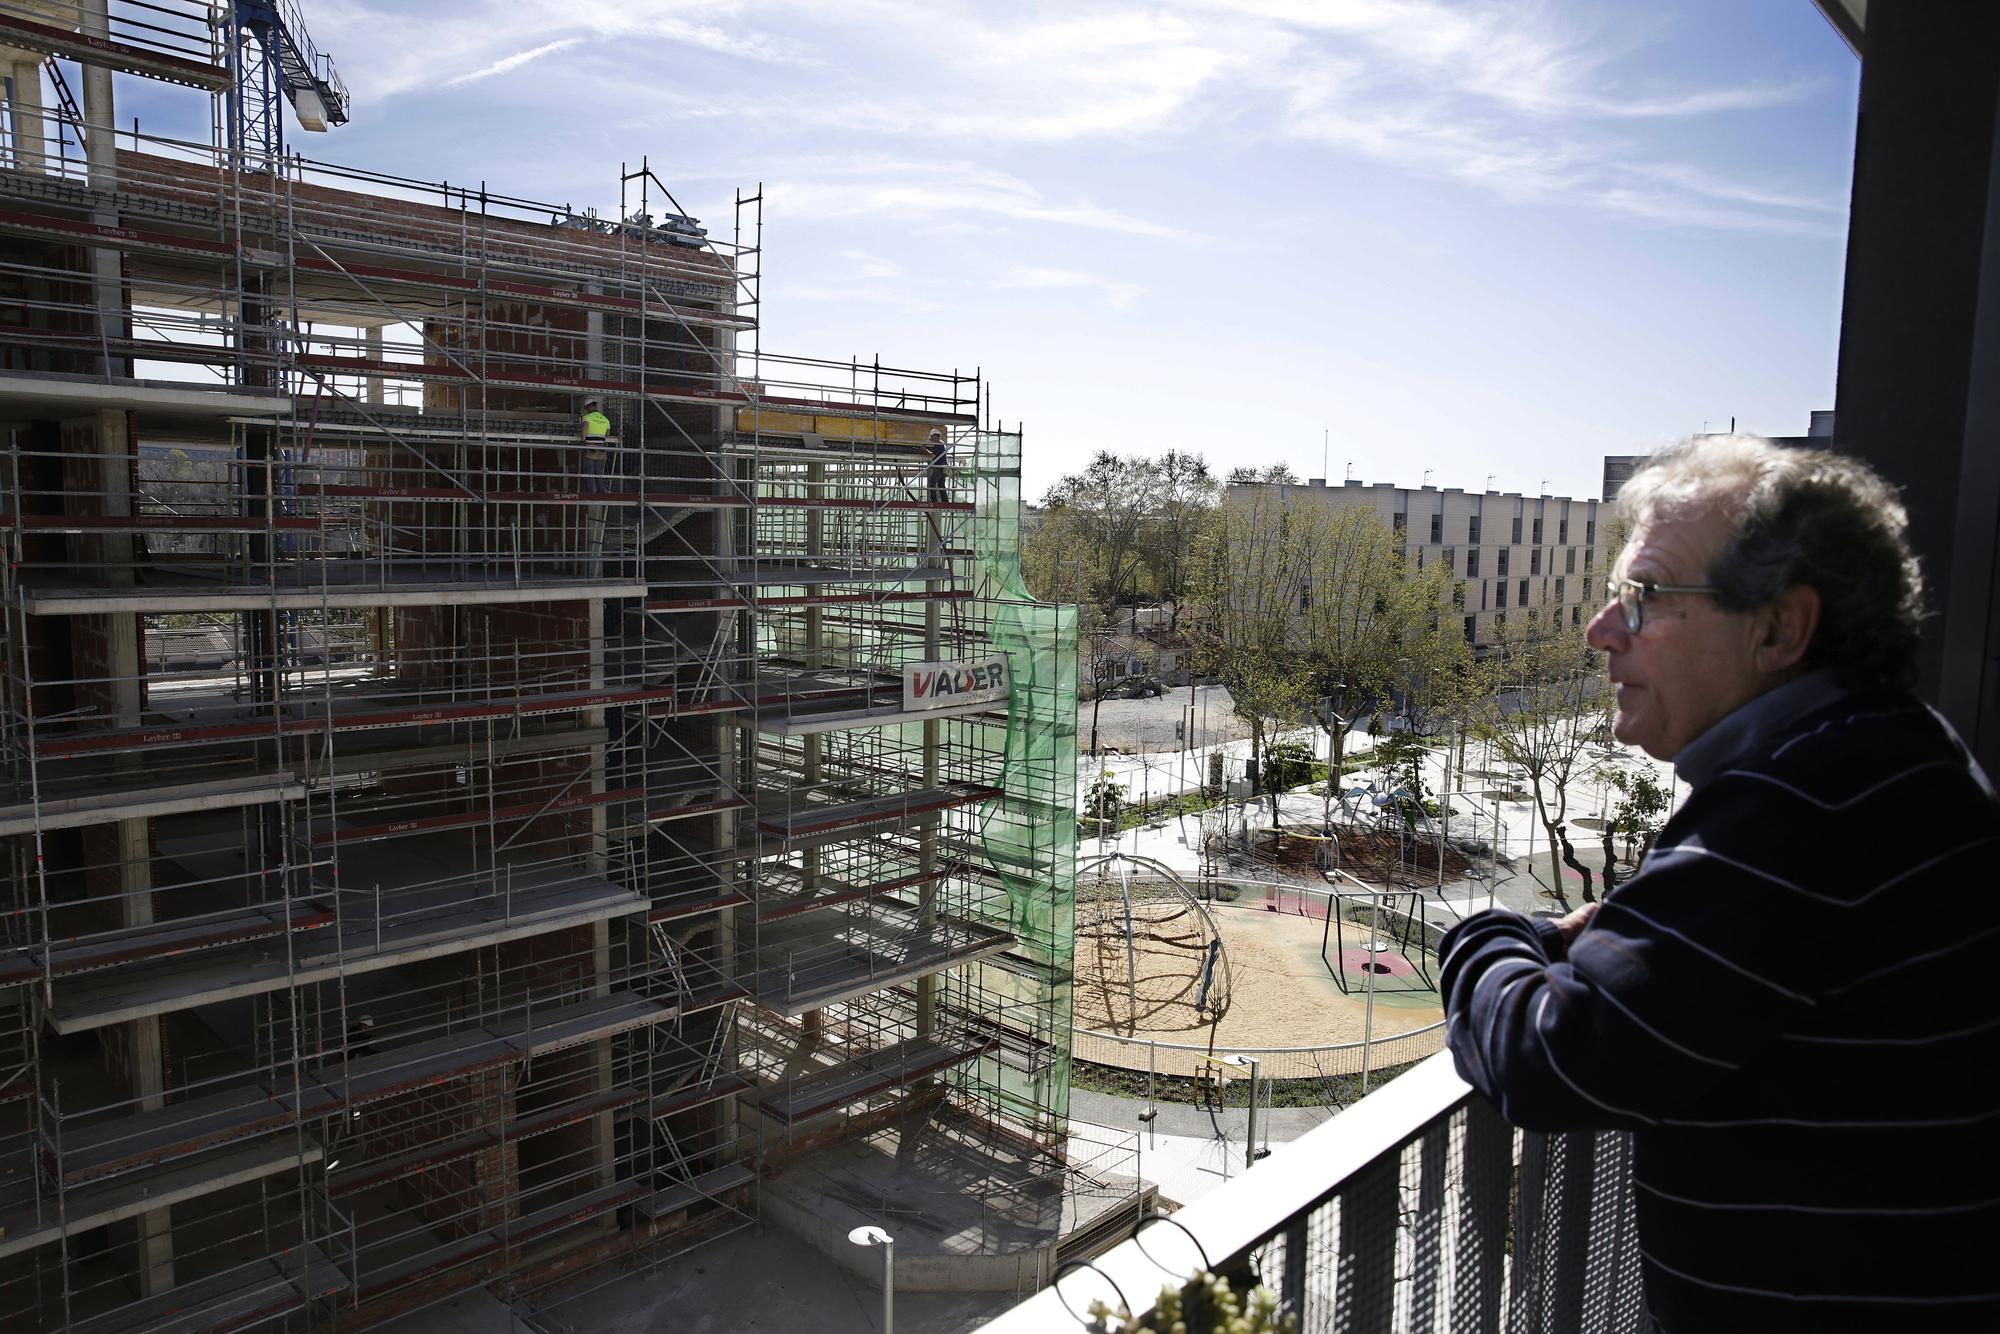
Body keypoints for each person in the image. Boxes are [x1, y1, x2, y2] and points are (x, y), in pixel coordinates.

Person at [1439, 435, 1999, 1332]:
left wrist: (1487, 938)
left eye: (1645, 597)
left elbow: (1552, 1060)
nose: (1600, 630)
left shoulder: (1804, 804)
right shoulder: (1890, 755)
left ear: (1779, 628)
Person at [579, 396, 613, 492]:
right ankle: (601, 489)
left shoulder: (586, 417)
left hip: (590, 447)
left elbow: (584, 428)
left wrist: (582, 441)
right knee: (598, 471)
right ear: (596, 406)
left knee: (589, 471)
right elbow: (608, 435)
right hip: (601, 448)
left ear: (587, 407)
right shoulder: (605, 419)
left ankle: (591, 491)